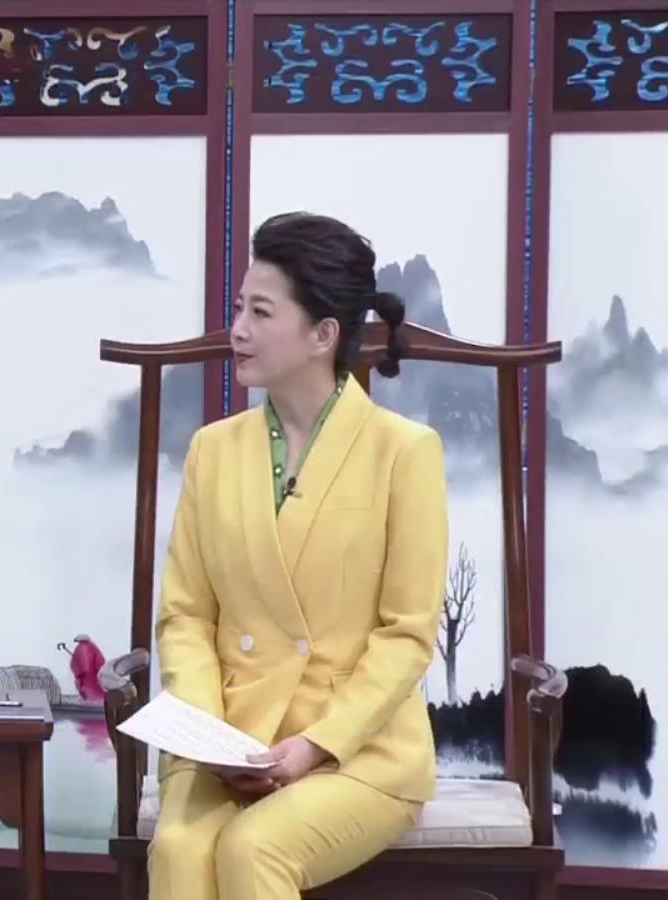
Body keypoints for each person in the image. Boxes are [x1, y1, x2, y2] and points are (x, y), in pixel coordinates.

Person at [148, 212, 448, 899]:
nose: (237, 330)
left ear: (323, 335)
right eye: (238, 309)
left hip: (357, 748)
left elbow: (406, 635)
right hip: (229, 735)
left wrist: (315, 746)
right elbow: (186, 616)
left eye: (260, 312)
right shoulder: (212, 451)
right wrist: (208, 737)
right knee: (180, 848)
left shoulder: (405, 453)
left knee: (254, 848)